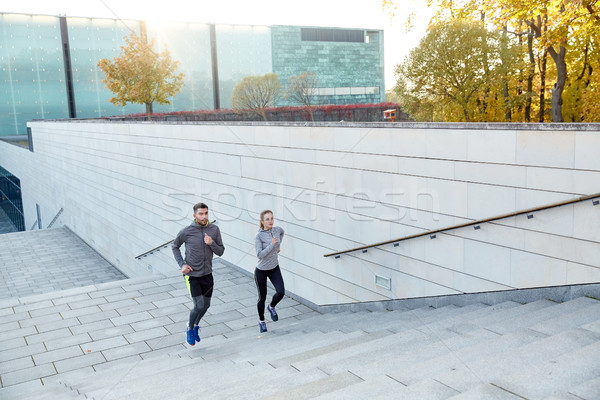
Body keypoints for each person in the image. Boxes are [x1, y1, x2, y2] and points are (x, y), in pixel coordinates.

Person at [172, 202, 224, 345]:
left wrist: (211, 243)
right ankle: (189, 328)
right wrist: (182, 265)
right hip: (192, 275)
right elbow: (175, 246)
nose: (204, 216)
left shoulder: (214, 230)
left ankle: (196, 325)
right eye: (201, 214)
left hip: (207, 274)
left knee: (206, 305)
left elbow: (221, 251)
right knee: (198, 305)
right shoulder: (186, 231)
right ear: (195, 215)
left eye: (206, 213)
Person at [254, 210, 285, 333]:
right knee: (262, 297)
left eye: (271, 218)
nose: (270, 221)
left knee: (281, 292)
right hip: (261, 270)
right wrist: (272, 245)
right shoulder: (258, 236)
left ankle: (271, 307)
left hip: (274, 268)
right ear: (262, 222)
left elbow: (282, 233)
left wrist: (278, 246)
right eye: (267, 219)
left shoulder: (277, 230)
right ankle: (262, 321)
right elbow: (259, 255)